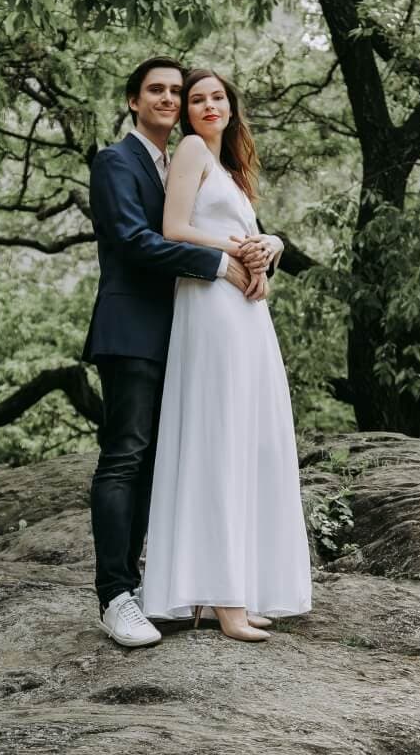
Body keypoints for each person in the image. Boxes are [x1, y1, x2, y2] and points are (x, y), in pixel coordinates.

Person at [82, 57, 264, 648]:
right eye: (155, 90)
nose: (168, 98)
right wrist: (218, 262)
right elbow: (135, 241)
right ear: (134, 101)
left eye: (174, 91)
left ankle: (157, 586)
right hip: (132, 330)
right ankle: (114, 595)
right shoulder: (115, 161)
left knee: (166, 463)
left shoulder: (184, 162)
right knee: (125, 456)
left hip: (185, 335)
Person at [140, 68, 312, 641]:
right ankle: (223, 599)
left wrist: (272, 246)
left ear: (231, 107)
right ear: (186, 113)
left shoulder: (233, 170)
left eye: (217, 97)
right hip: (210, 308)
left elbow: (253, 236)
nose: (208, 106)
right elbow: (173, 227)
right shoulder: (190, 150)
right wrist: (237, 249)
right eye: (197, 99)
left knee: (248, 440)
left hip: (246, 314)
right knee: (218, 439)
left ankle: (230, 590)